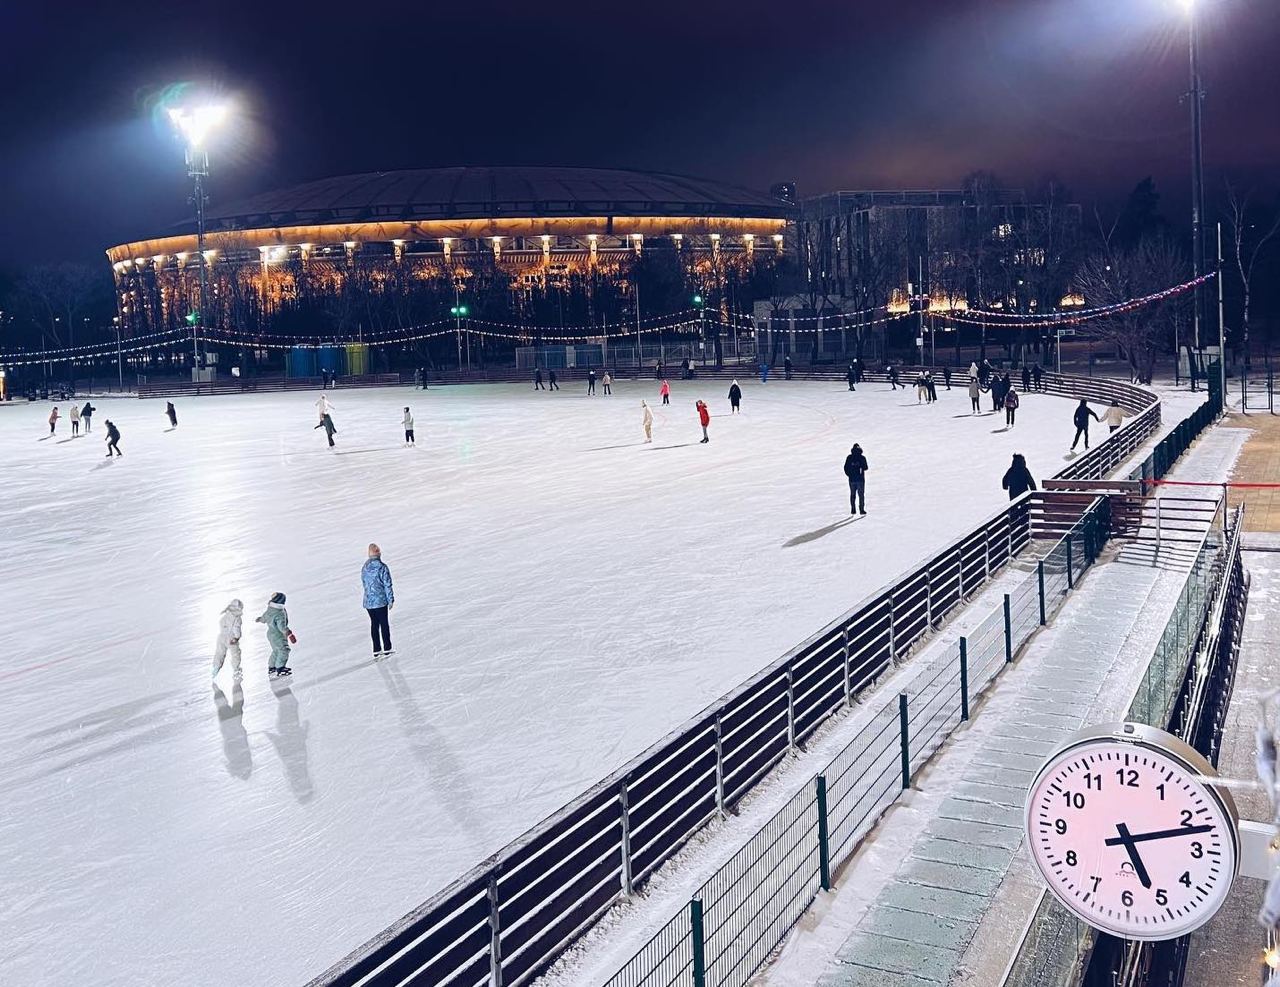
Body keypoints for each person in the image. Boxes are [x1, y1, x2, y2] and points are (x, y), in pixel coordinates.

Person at [362, 543, 395, 658]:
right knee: (384, 624)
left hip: (369, 602)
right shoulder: (382, 567)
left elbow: (364, 583)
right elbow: (387, 584)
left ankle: (376, 649)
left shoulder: (365, 567)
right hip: (380, 601)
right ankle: (387, 648)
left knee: (374, 624)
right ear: (378, 553)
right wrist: (390, 599)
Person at [257, 592, 295, 677]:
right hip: (279, 635)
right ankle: (280, 668)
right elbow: (281, 627)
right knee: (284, 650)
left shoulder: (270, 609)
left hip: (270, 634)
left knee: (276, 650)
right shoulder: (279, 613)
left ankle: (272, 667)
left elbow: (264, 618)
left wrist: (260, 619)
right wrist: (289, 634)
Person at [212, 599, 244, 681]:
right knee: (235, 654)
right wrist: (236, 637)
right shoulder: (237, 618)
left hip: (221, 637)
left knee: (219, 652)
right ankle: (236, 669)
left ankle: (216, 667)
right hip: (231, 638)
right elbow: (236, 628)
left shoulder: (225, 616)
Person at [843, 443, 868, 515]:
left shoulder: (849, 457)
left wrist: (849, 475)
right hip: (860, 480)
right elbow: (866, 468)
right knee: (861, 495)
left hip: (852, 480)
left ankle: (853, 509)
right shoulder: (862, 457)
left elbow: (845, 468)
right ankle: (861, 510)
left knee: (852, 494)